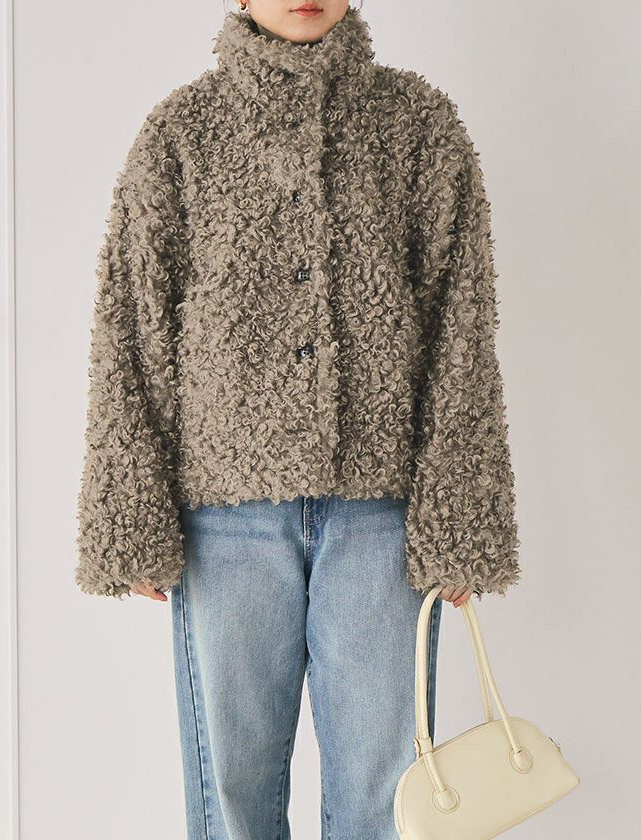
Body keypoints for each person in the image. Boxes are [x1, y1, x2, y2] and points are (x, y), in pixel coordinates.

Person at [74, 1, 522, 837]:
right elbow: (131, 328)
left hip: (384, 518)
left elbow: (461, 329)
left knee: (384, 800)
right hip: (224, 520)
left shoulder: (418, 126)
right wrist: (129, 520)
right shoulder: (181, 133)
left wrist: (461, 522)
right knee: (232, 799)